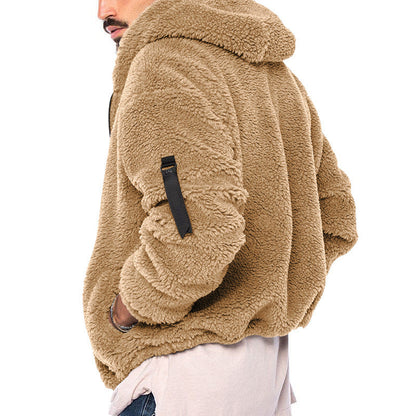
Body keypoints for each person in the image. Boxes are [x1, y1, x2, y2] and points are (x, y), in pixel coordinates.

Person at [83, 0, 359, 415]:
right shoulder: (271, 73)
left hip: (182, 374)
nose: (102, 11)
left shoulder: (166, 64)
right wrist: (265, 292)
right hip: (262, 375)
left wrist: (125, 310)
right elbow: (335, 215)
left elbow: (198, 235)